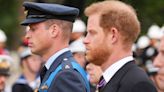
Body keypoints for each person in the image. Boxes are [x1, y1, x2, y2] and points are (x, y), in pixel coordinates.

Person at [83, 1, 157, 92]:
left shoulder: (137, 85)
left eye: (92, 33)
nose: (85, 40)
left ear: (113, 35)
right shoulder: (109, 80)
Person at [21, 2, 89, 92]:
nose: (27, 36)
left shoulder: (66, 76)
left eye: (33, 29)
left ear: (54, 31)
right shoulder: (57, 70)